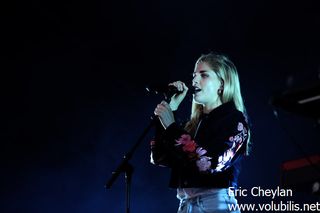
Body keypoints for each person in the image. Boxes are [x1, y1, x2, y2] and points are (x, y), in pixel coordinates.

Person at [150, 52, 251, 213]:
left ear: (222, 84)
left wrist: (171, 126)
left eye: (203, 75)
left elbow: (211, 163)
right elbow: (159, 157)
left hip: (216, 205)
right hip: (186, 204)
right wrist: (172, 110)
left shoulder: (235, 120)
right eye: (194, 75)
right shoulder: (192, 125)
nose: (194, 80)